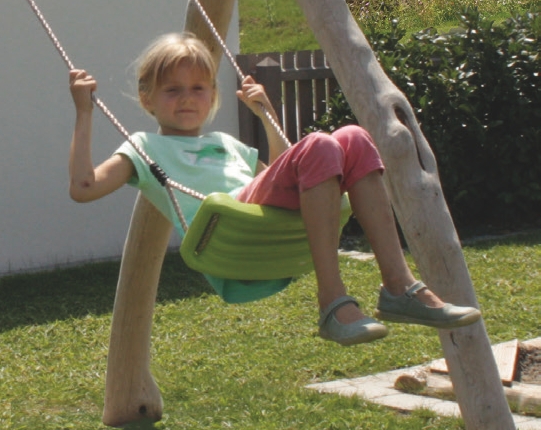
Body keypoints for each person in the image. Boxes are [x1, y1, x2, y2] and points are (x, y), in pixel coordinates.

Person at [67, 32, 480, 344]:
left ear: (212, 95)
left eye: (198, 88)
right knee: (319, 145)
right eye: (172, 90)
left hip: (264, 220)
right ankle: (332, 301)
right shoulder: (144, 146)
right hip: (226, 230)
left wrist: (266, 116)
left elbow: (284, 174)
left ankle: (399, 285)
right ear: (148, 98)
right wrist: (84, 113)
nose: (187, 99)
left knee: (354, 137)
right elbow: (84, 187)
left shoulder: (226, 144)